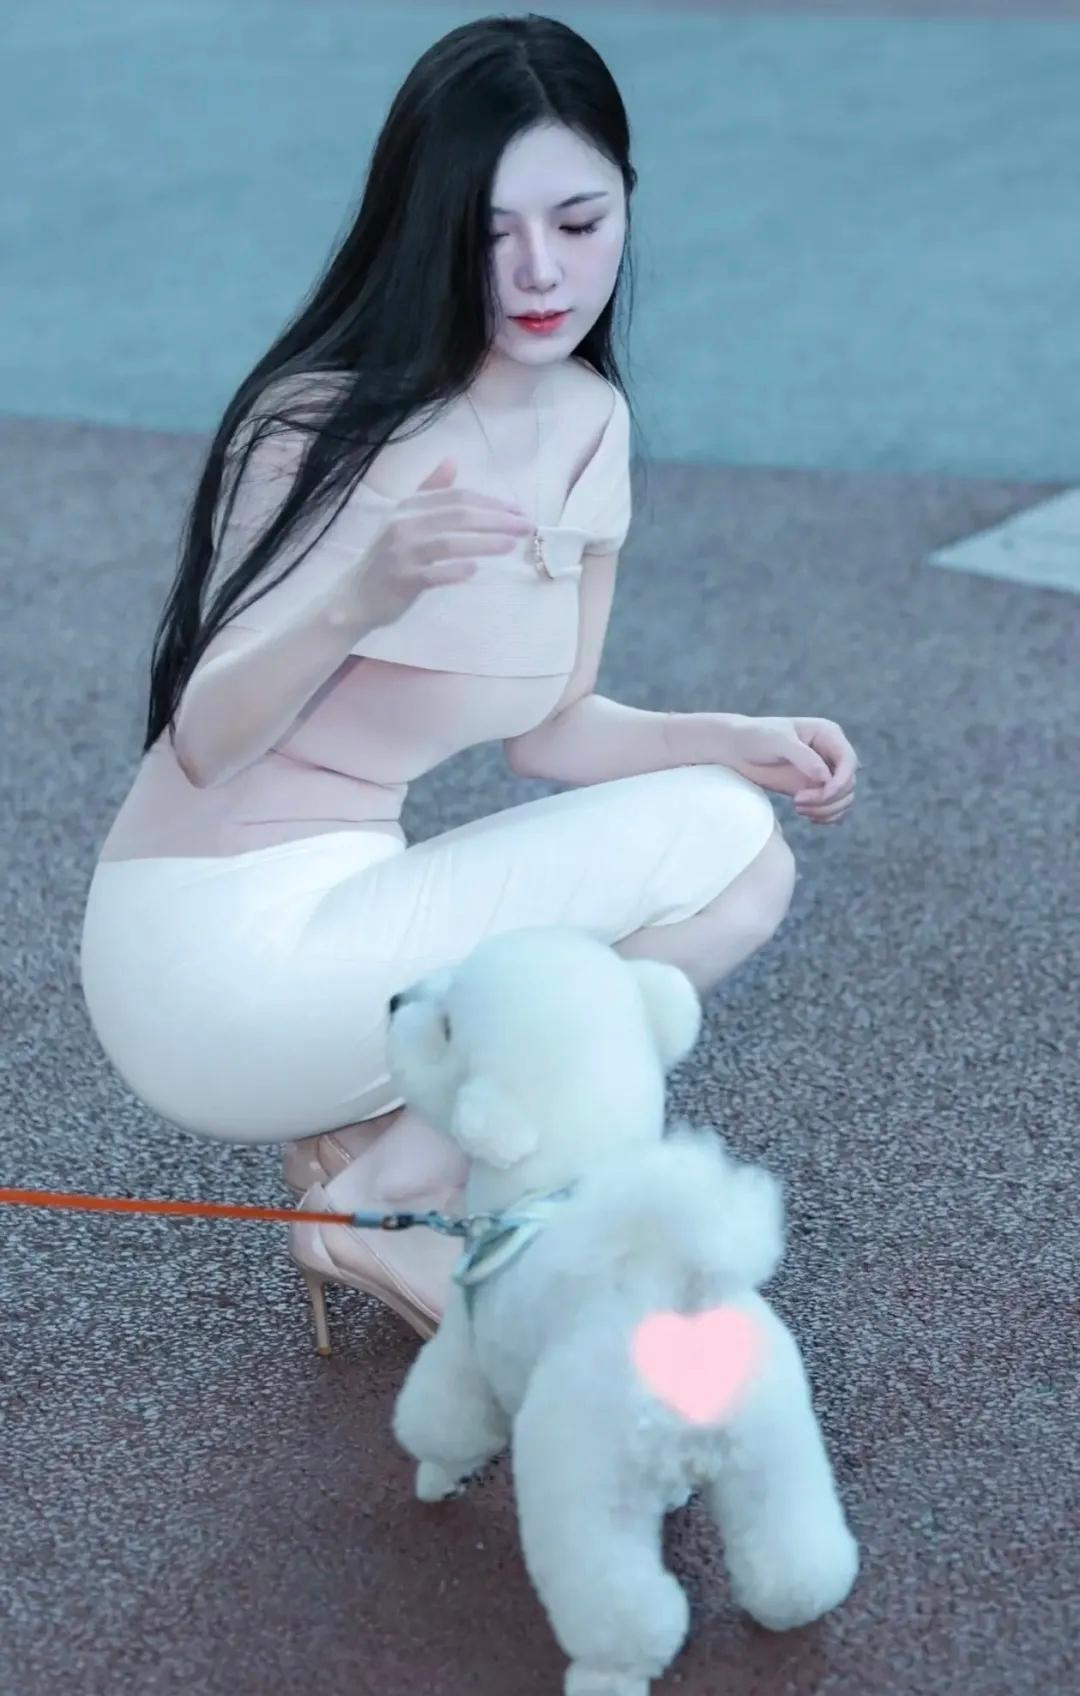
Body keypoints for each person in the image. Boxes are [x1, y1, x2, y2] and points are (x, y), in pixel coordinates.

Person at [78, 14, 858, 1346]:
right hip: (207, 955)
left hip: (349, 923)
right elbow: (203, 738)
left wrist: (731, 735)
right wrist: (360, 592)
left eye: (579, 221)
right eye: (492, 232)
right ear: (428, 227)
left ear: (626, 207)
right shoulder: (319, 421)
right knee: (724, 841)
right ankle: (384, 1194)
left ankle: (386, 1160)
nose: (542, 271)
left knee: (744, 846)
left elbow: (550, 731)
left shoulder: (593, 423)